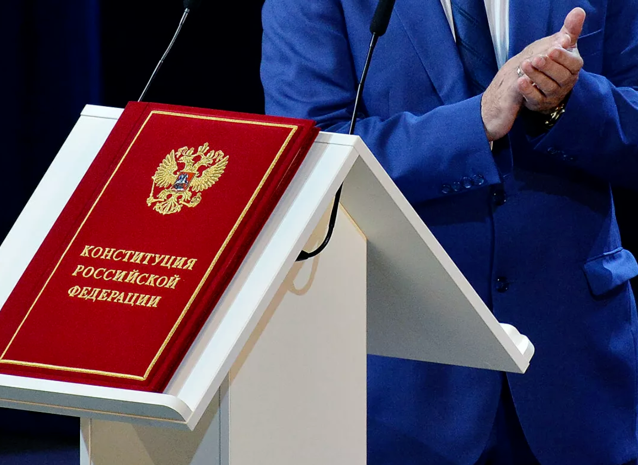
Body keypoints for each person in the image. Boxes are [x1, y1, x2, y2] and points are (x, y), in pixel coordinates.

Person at [261, 1, 638, 464]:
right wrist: (476, 122)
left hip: (577, 368)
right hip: (406, 382)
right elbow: (310, 155)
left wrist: (565, 104)